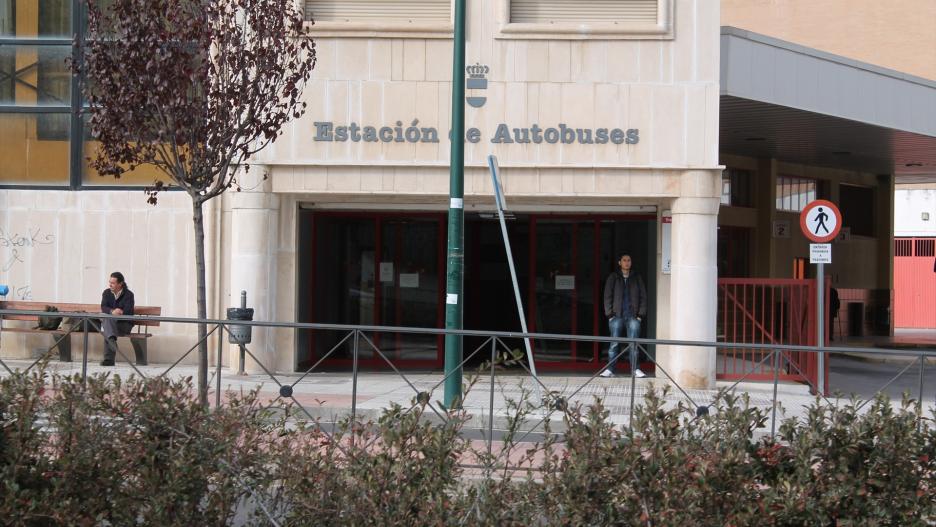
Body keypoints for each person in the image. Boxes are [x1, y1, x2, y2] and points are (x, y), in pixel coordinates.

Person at [601, 253, 648, 378]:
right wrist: (610, 314)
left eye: (629, 260)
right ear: (619, 262)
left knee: (633, 344)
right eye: (624, 260)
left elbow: (643, 296)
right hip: (617, 316)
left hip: (633, 317)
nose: (627, 262)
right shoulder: (614, 277)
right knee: (614, 344)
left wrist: (640, 315)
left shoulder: (636, 277)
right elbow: (607, 296)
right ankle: (610, 369)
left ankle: (635, 369)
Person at [100, 271, 135, 366]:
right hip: (111, 323)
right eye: (109, 282)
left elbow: (128, 310)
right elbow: (103, 307)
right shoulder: (106, 293)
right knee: (108, 321)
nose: (110, 285)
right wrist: (112, 312)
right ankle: (112, 342)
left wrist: (119, 312)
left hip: (124, 324)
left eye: (113, 283)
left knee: (107, 325)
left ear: (120, 284)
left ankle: (109, 360)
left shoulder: (129, 295)